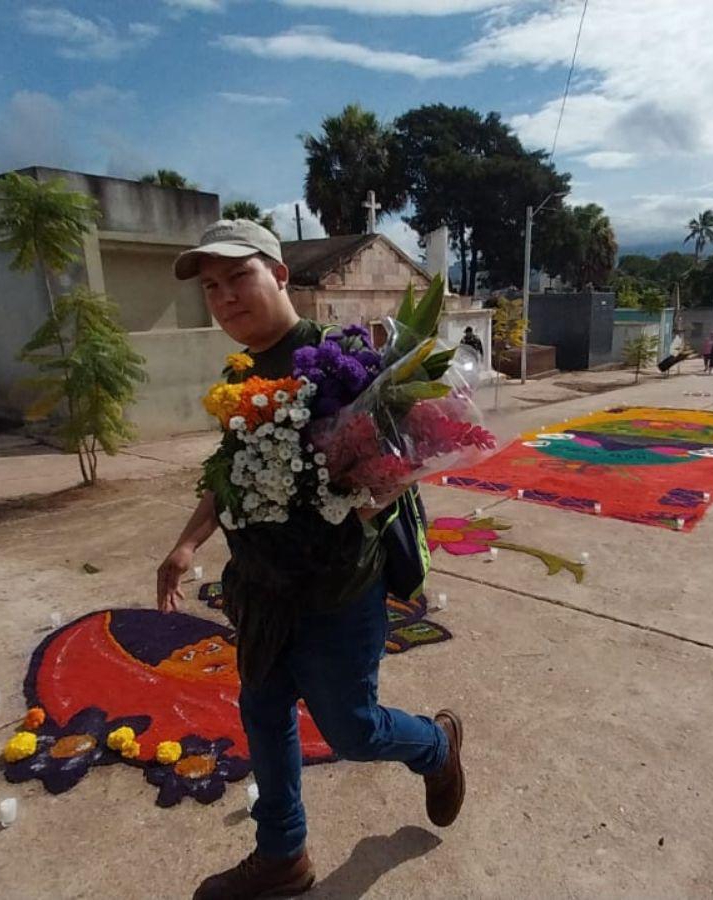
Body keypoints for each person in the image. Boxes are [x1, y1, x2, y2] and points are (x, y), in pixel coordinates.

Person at [158, 220, 465, 900]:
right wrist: (187, 543)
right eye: (212, 288)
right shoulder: (236, 378)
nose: (225, 298)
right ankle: (282, 855)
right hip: (262, 589)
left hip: (338, 592)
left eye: (238, 277)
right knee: (263, 716)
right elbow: (226, 477)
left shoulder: (339, 355)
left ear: (280, 274)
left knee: (352, 732)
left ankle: (436, 748)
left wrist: (361, 500)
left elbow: (412, 453)